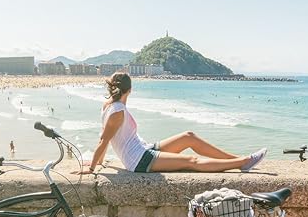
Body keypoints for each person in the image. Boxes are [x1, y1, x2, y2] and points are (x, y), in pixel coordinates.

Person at [77, 72, 267, 174]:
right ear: (130, 90)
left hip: (144, 149)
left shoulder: (108, 105)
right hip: (139, 161)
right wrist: (93, 168)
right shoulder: (117, 111)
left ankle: (234, 159)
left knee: (189, 137)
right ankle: (242, 162)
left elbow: (107, 137)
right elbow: (104, 139)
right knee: (192, 162)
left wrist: (100, 162)